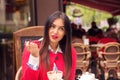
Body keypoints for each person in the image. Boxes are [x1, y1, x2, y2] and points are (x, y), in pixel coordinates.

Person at [21, 11, 77, 80]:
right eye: (53, 26)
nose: (55, 32)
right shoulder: (33, 48)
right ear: (47, 27)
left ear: (65, 33)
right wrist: (34, 57)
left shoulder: (71, 52)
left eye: (61, 29)